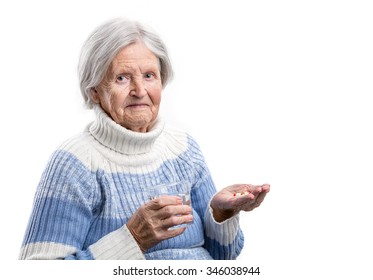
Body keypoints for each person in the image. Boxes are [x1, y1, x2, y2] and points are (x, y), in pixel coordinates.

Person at [19, 18, 270, 260]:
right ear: (94, 91)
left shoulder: (183, 148)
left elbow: (223, 257)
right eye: (122, 78)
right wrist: (132, 239)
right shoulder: (76, 163)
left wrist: (221, 212)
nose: (140, 91)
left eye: (149, 76)